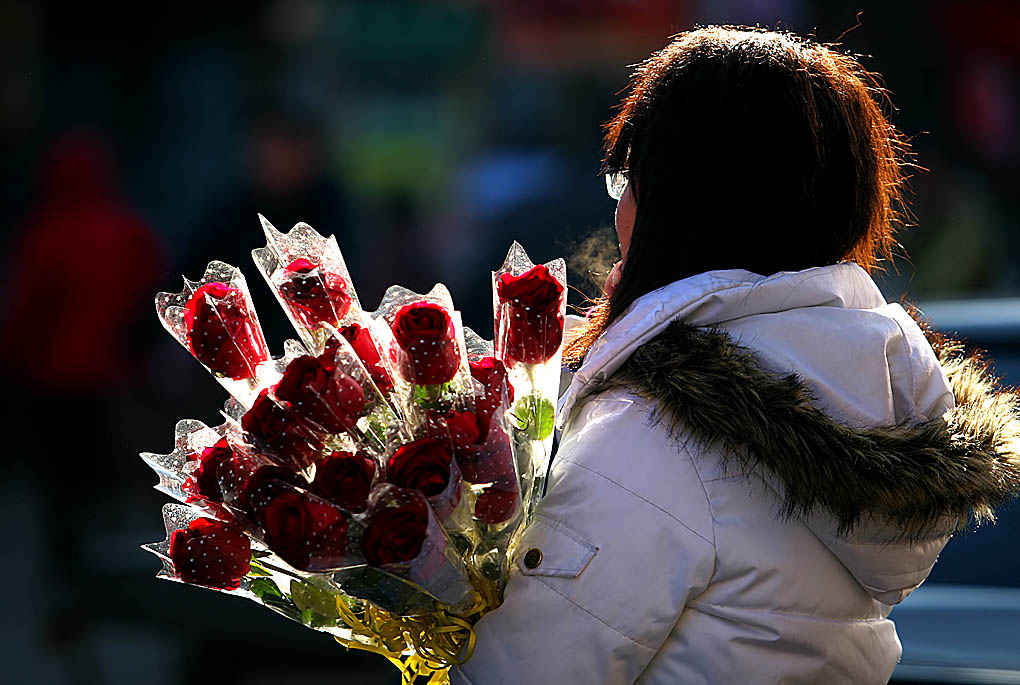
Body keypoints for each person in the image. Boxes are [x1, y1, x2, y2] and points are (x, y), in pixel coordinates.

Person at [451, 27, 1020, 684]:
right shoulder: (868, 395)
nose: (622, 210)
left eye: (630, 178)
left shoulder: (657, 437)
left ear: (682, 200)